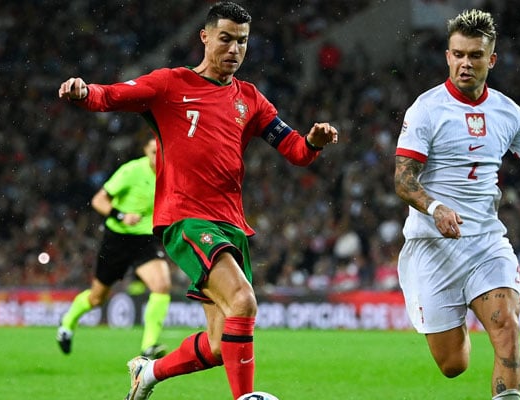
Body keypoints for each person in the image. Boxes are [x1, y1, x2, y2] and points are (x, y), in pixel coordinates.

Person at [57, 2, 339, 399]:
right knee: (243, 300)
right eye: (225, 39)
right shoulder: (171, 84)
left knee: (220, 343)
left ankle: (149, 372)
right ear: (204, 37)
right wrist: (84, 92)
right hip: (186, 218)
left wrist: (313, 142)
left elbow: (294, 149)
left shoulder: (251, 100)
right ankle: (245, 397)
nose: (234, 49)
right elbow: (112, 95)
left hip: (230, 223)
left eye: (242, 41)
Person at [393, 9, 520, 400]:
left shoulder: (507, 112)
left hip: (486, 242)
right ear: (447, 56)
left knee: (507, 327)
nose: (464, 63)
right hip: (432, 246)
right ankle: (460, 316)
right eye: (457, 54)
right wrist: (436, 208)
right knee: (453, 365)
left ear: (492, 59)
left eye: (474, 55)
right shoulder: (426, 109)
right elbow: (403, 181)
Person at [56, 137, 172, 360]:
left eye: (160, 152)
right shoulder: (131, 171)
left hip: (145, 240)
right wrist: (122, 215)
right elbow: (98, 200)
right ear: (145, 152)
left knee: (162, 285)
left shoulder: (170, 173)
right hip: (117, 239)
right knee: (97, 298)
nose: (157, 157)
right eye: (152, 152)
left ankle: (148, 347)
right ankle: (68, 321)